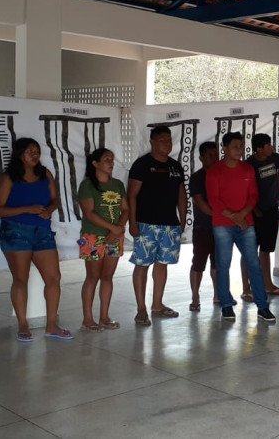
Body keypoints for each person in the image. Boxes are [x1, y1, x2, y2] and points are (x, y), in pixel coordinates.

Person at [0, 138, 71, 342]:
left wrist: (50, 210)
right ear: (19, 154)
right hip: (16, 231)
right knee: (21, 279)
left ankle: (52, 325)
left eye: (36, 151)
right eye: (29, 151)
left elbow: (55, 200)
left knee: (54, 278)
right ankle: (22, 324)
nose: (35, 155)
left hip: (42, 230)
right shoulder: (9, 178)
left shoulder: (45, 174)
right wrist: (27, 209)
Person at [206, 132, 276, 324]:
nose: (240, 150)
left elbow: (253, 196)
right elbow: (214, 200)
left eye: (241, 146)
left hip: (246, 223)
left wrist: (242, 214)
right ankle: (226, 304)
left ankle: (262, 306)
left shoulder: (247, 169)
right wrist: (236, 217)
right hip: (224, 224)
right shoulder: (215, 171)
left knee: (254, 264)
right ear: (225, 148)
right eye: (236, 146)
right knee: (223, 264)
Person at [127, 126, 187, 326]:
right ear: (152, 142)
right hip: (146, 224)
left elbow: (181, 194)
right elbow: (132, 196)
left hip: (170, 224)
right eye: (162, 140)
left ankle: (157, 305)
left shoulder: (175, 166)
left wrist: (182, 219)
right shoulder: (142, 164)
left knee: (163, 264)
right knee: (142, 265)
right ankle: (141, 309)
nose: (167, 143)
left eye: (169, 140)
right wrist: (132, 223)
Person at [78, 148, 128, 332]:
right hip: (93, 236)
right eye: (106, 159)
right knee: (93, 277)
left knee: (107, 277)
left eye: (112, 159)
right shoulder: (87, 185)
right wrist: (113, 228)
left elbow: (126, 209)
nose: (111, 162)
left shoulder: (117, 184)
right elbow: (89, 213)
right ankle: (88, 319)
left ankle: (104, 317)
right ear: (95, 163)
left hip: (115, 237)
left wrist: (119, 229)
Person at [244, 133, 279, 297]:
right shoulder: (249, 164)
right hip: (254, 211)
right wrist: (254, 209)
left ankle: (268, 284)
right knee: (249, 250)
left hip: (271, 209)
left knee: (266, 249)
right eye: (268, 145)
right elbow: (245, 190)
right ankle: (246, 288)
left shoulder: (275, 158)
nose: (272, 147)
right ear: (259, 149)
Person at [188, 141, 219, 312]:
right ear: (201, 158)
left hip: (221, 228)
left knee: (218, 263)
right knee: (198, 263)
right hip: (203, 227)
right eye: (210, 155)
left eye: (216, 154)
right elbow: (201, 204)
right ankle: (195, 296)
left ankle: (217, 294)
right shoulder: (197, 177)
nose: (214, 158)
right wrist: (224, 214)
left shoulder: (222, 175)